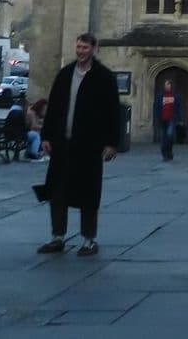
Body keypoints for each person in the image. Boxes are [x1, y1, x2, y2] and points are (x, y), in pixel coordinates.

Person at [38, 33, 120, 257]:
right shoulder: (65, 75)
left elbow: (113, 112)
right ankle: (57, 236)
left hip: (89, 145)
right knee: (56, 192)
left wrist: (112, 143)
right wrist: (46, 136)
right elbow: (53, 107)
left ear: (94, 48)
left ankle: (88, 239)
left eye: (85, 47)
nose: (80, 51)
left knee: (89, 194)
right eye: (78, 47)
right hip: (62, 144)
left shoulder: (104, 77)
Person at [154, 78, 184, 161]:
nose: (167, 86)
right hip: (162, 119)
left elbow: (179, 108)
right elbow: (156, 107)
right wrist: (156, 117)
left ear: (171, 85)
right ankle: (165, 155)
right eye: (166, 84)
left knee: (169, 136)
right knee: (164, 137)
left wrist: (180, 119)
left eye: (169, 84)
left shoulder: (175, 96)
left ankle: (169, 152)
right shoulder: (160, 96)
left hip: (171, 119)